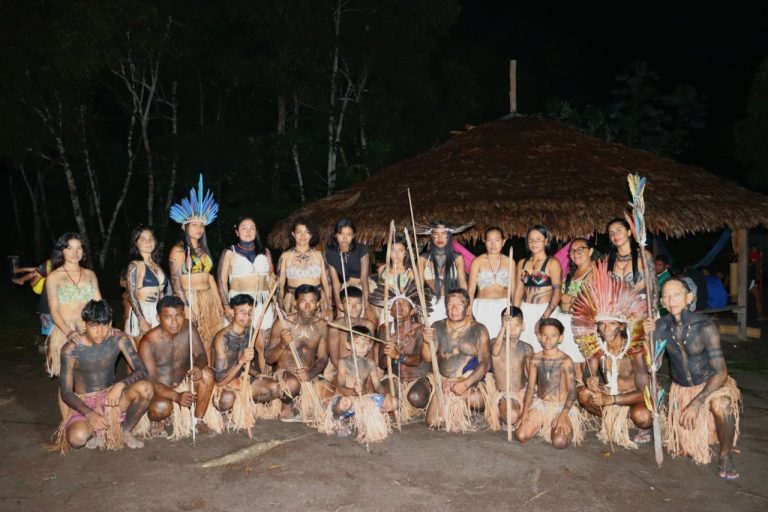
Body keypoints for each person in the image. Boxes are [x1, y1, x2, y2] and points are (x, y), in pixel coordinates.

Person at [644, 279, 742, 480]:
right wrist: (647, 339)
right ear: (662, 301)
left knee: (722, 404)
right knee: (684, 451)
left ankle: (725, 455)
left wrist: (697, 402)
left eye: (677, 295)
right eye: (667, 296)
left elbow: (721, 372)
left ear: (689, 298)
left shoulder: (705, 327)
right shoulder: (660, 327)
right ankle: (705, 433)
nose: (671, 300)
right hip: (682, 389)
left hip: (711, 385)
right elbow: (654, 366)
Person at [53, 300, 153, 453]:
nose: (100, 331)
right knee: (77, 438)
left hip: (111, 398)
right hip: (84, 401)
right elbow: (65, 393)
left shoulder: (119, 339)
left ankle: (125, 430)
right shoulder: (71, 349)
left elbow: (142, 371)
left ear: (110, 323)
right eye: (94, 326)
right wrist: (90, 414)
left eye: (104, 325)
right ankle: (96, 431)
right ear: (84, 324)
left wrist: (120, 385)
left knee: (146, 388)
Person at [571, 260, 652, 448]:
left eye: (611, 323)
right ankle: (616, 420)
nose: (605, 328)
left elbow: (644, 392)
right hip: (610, 395)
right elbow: (587, 375)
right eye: (601, 323)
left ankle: (635, 422)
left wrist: (612, 400)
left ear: (622, 325)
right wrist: (591, 382)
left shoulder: (634, 349)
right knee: (582, 394)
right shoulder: (597, 347)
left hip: (631, 398)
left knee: (644, 417)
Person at [138, 296, 221, 438]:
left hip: (185, 383)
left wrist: (198, 367)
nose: (175, 322)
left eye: (179, 315)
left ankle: (197, 420)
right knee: (160, 408)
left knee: (207, 374)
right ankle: (157, 419)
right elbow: (151, 382)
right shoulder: (148, 342)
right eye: (168, 317)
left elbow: (201, 354)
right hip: (161, 390)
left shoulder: (188, 327)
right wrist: (176, 396)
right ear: (158, 318)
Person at [168, 175, 225, 362]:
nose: (199, 229)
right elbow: (176, 282)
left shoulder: (203, 250)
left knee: (209, 338)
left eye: (201, 225)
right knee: (193, 340)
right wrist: (185, 306)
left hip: (207, 297)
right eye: (194, 225)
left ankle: (209, 374)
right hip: (190, 298)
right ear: (185, 226)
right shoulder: (178, 250)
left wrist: (218, 302)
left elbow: (209, 277)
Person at [421, 288, 490, 432]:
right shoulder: (437, 327)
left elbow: (485, 363)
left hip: (469, 384)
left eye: (459, 304)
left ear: (468, 307)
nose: (454, 308)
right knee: (432, 422)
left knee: (477, 399)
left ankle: (473, 413)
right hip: (444, 382)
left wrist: (465, 383)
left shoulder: (479, 330)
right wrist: (426, 342)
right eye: (450, 304)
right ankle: (454, 412)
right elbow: (427, 357)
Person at [212, 294, 283, 426]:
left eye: (250, 312)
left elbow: (254, 361)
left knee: (275, 388)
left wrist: (256, 374)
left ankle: (246, 403)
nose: (247, 316)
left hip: (244, 380)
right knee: (228, 398)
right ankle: (225, 411)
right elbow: (219, 380)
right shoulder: (222, 339)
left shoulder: (250, 332)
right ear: (232, 312)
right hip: (225, 385)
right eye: (242, 312)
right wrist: (241, 361)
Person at [515, 318, 585, 448]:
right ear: (539, 337)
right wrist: (525, 411)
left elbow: (572, 391)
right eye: (545, 335)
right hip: (541, 405)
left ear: (560, 338)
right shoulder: (535, 359)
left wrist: (563, 415)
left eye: (553, 336)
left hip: (561, 407)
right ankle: (541, 423)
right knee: (520, 435)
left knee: (559, 442)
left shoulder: (565, 361)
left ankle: (556, 423)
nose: (548, 339)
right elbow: (530, 388)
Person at [319, 327, 397, 442]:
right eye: (357, 343)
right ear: (349, 345)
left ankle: (369, 418)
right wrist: (353, 391)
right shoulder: (343, 362)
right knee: (345, 402)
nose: (361, 347)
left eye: (365, 344)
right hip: (345, 398)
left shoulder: (370, 364)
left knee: (394, 402)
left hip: (362, 400)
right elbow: (340, 387)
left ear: (370, 346)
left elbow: (378, 386)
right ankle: (338, 419)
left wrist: (387, 394)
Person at [216, 216, 275, 368]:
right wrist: (226, 306)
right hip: (239, 303)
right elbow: (221, 280)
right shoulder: (229, 252)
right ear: (237, 232)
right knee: (237, 344)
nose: (248, 231)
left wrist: (275, 297)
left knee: (263, 344)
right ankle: (234, 379)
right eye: (244, 228)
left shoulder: (265, 252)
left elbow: (271, 278)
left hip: (263, 303)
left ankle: (264, 378)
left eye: (252, 228)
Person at [266, 284, 330, 422]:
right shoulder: (282, 324)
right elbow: (269, 359)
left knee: (333, 394)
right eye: (303, 301)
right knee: (291, 383)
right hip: (285, 378)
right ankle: (287, 409)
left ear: (318, 304)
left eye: (312, 302)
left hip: (309, 377)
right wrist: (283, 344)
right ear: (295, 303)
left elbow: (324, 358)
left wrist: (310, 374)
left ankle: (304, 404)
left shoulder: (322, 326)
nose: (307, 307)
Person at [45, 233, 102, 378]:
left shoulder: (90, 274)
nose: (75, 252)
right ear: (62, 250)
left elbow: (99, 305)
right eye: (69, 248)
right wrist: (69, 332)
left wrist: (103, 326)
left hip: (89, 329)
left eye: (79, 248)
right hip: (65, 331)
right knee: (68, 381)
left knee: (90, 378)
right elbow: (54, 310)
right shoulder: (54, 277)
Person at [373, 283, 431, 422]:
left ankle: (419, 406)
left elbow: (417, 360)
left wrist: (398, 355)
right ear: (390, 311)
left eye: (404, 304)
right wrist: (388, 352)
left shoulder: (420, 330)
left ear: (412, 311)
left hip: (417, 378)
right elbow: (382, 364)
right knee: (382, 392)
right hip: (395, 378)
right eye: (395, 304)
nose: (399, 307)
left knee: (416, 397)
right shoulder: (385, 330)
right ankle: (396, 405)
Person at [513, 225, 561, 352]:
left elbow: (557, 292)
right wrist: (515, 314)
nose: (533, 243)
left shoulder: (553, 263)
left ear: (546, 241)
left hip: (546, 310)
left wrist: (544, 318)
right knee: (525, 348)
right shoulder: (522, 263)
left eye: (538, 239)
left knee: (546, 349)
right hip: (526, 309)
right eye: (530, 239)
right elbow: (518, 290)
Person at [552, 237, 594, 379]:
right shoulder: (571, 274)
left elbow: (589, 301)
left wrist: (565, 298)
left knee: (578, 364)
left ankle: (580, 394)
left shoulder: (594, 273)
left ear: (591, 251)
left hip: (579, 323)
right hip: (564, 321)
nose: (575, 253)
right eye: (572, 251)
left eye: (580, 250)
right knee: (565, 362)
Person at [485, 307, 532, 432]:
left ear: (523, 326)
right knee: (511, 415)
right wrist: (503, 329)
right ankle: (506, 415)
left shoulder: (527, 348)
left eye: (516, 325)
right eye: (508, 325)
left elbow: (530, 374)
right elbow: (495, 351)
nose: (512, 329)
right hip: (503, 393)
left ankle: (516, 415)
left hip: (521, 392)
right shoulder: (495, 342)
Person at [276, 218, 333, 318]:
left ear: (311, 235)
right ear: (293, 234)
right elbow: (279, 286)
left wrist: (329, 306)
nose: (303, 236)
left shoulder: (319, 255)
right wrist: (280, 307)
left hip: (317, 301)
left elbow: (327, 283)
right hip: (293, 302)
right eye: (299, 232)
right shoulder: (285, 256)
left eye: (307, 232)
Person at [417, 220, 470, 325]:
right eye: (436, 234)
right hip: (429, 305)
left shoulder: (458, 258)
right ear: (431, 236)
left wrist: (466, 306)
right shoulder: (422, 258)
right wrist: (419, 307)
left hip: (452, 305)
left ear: (449, 236)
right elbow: (418, 288)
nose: (440, 238)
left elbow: (463, 286)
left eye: (443, 234)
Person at [468, 227, 513, 339]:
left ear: (503, 242)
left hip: (504, 307)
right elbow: (471, 290)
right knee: (482, 341)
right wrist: (469, 311)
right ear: (484, 241)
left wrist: (514, 310)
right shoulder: (477, 262)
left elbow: (513, 289)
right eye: (489, 240)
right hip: (482, 307)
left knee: (503, 342)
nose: (493, 245)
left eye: (497, 240)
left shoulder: (509, 261)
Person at [125, 226, 167, 341]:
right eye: (143, 239)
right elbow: (131, 296)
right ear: (136, 243)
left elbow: (162, 293)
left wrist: (163, 312)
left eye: (151, 238)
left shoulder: (157, 265)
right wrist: (141, 320)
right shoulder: (134, 266)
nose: (148, 242)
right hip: (143, 312)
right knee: (144, 356)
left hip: (158, 313)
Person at [327, 286, 376, 382]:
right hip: (339, 369)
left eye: (358, 303)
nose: (354, 307)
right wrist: (352, 374)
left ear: (362, 305)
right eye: (349, 303)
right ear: (341, 306)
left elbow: (370, 355)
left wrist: (367, 376)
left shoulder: (368, 325)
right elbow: (334, 359)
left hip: (363, 367)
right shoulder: (336, 326)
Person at [324, 219, 371, 312]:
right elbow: (336, 283)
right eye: (341, 233)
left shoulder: (362, 250)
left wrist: (367, 307)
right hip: (345, 287)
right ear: (336, 235)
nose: (344, 238)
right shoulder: (331, 253)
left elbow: (364, 280)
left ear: (354, 235)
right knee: (342, 314)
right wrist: (338, 306)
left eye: (348, 234)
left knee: (362, 312)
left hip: (363, 286)